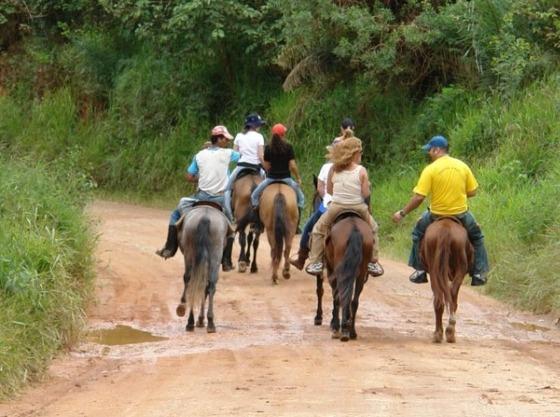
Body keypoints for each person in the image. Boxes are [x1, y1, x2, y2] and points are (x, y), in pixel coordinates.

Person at [391, 135, 489, 286]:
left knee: (417, 233)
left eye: (429, 150)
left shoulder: (430, 169)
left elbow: (418, 198)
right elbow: (473, 191)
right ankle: (478, 273)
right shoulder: (462, 166)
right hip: (461, 214)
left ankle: (420, 270)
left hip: (435, 215)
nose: (429, 153)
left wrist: (402, 213)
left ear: (437, 150)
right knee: (477, 237)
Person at [304, 130, 384, 277]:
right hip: (358, 208)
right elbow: (366, 194)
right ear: (354, 153)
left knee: (318, 229)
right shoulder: (362, 170)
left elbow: (329, 190)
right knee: (373, 228)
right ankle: (373, 262)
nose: (361, 155)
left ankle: (316, 262)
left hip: (337, 207)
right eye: (359, 152)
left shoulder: (334, 168)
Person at [156, 125, 239, 259]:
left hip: (201, 196)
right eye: (226, 139)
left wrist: (202, 177)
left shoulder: (199, 155)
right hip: (221, 199)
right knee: (230, 224)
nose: (228, 141)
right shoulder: (229, 153)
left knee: (175, 214)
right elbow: (241, 155)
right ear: (218, 139)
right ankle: (227, 259)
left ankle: (169, 248)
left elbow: (189, 176)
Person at [290, 117, 356, 269]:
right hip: (354, 204)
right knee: (371, 226)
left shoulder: (327, 167)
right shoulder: (355, 167)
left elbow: (321, 188)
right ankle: (372, 259)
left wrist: (326, 197)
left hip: (329, 206)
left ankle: (304, 258)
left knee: (310, 228)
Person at [250, 123, 304, 220]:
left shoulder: (268, 148)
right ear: (283, 134)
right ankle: (297, 220)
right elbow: (292, 165)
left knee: (254, 196)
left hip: (270, 179)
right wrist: (298, 178)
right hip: (286, 179)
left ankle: (257, 220)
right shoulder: (288, 147)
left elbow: (266, 166)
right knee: (301, 198)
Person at [223, 113, 266, 220]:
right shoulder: (259, 137)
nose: (259, 127)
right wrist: (266, 167)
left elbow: (234, 154)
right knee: (267, 186)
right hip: (256, 167)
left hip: (241, 167)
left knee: (227, 189)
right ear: (255, 126)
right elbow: (261, 156)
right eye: (259, 125)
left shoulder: (239, 136)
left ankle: (229, 215)